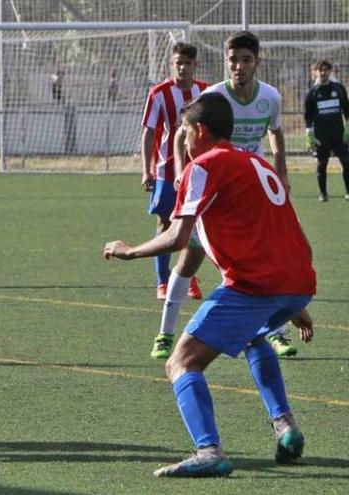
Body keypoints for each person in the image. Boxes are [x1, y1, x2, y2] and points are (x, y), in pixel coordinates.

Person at [105, 92, 316, 478]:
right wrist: (294, 300)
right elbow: (289, 232)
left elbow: (177, 238)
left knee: (181, 362)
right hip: (297, 281)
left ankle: (208, 451)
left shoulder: (205, 166)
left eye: (185, 131)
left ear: (200, 130)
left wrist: (129, 251)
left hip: (257, 287)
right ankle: (286, 427)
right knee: (254, 336)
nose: (182, 139)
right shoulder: (255, 162)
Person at [164, 31, 299, 358]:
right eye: (233, 60)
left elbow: (275, 133)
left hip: (250, 189)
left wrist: (281, 172)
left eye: (246, 60)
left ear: (257, 62)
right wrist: (183, 171)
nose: (238, 66)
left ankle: (277, 332)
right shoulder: (212, 97)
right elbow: (184, 133)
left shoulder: (270, 97)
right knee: (192, 255)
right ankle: (166, 331)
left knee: (267, 255)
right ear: (226, 62)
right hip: (215, 189)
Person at [140, 42, 206, 312]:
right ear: (171, 64)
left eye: (187, 63)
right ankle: (162, 280)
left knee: (194, 225)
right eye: (178, 62)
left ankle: (187, 276)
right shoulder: (159, 94)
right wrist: (146, 169)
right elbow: (149, 133)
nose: (182, 67)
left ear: (194, 65)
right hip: (167, 172)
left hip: (198, 169)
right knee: (166, 222)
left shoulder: (204, 91)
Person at [303, 59, 349, 202]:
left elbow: (346, 109)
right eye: (320, 70)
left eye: (326, 70)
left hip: (338, 134)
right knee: (322, 164)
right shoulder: (312, 93)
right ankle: (323, 193)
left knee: (346, 162)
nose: (323, 73)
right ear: (315, 72)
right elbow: (308, 115)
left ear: (330, 71)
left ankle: (348, 192)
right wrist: (308, 132)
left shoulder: (338, 88)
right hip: (321, 136)